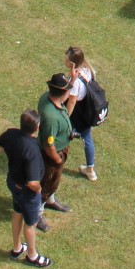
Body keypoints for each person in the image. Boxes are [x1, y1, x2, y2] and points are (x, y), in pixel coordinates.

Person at [0, 111, 51, 267]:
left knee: (17, 213)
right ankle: (32, 256)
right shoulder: (32, 149)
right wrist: (39, 190)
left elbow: (0, 144)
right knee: (30, 224)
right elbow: (33, 182)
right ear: (36, 127)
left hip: (13, 183)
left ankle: (17, 248)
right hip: (28, 192)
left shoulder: (11, 134)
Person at [37, 73, 74, 215]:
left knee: (53, 181)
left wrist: (73, 79)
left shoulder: (48, 98)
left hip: (58, 152)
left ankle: (50, 200)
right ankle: (38, 213)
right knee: (47, 184)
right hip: (52, 156)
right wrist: (58, 160)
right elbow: (49, 146)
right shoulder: (51, 117)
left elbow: (63, 98)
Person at [64, 46, 100, 182]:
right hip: (86, 111)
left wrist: (65, 118)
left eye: (66, 59)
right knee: (87, 139)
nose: (64, 61)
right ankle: (90, 170)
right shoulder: (88, 70)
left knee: (61, 132)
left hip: (77, 113)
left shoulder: (76, 82)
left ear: (72, 63)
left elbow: (71, 102)